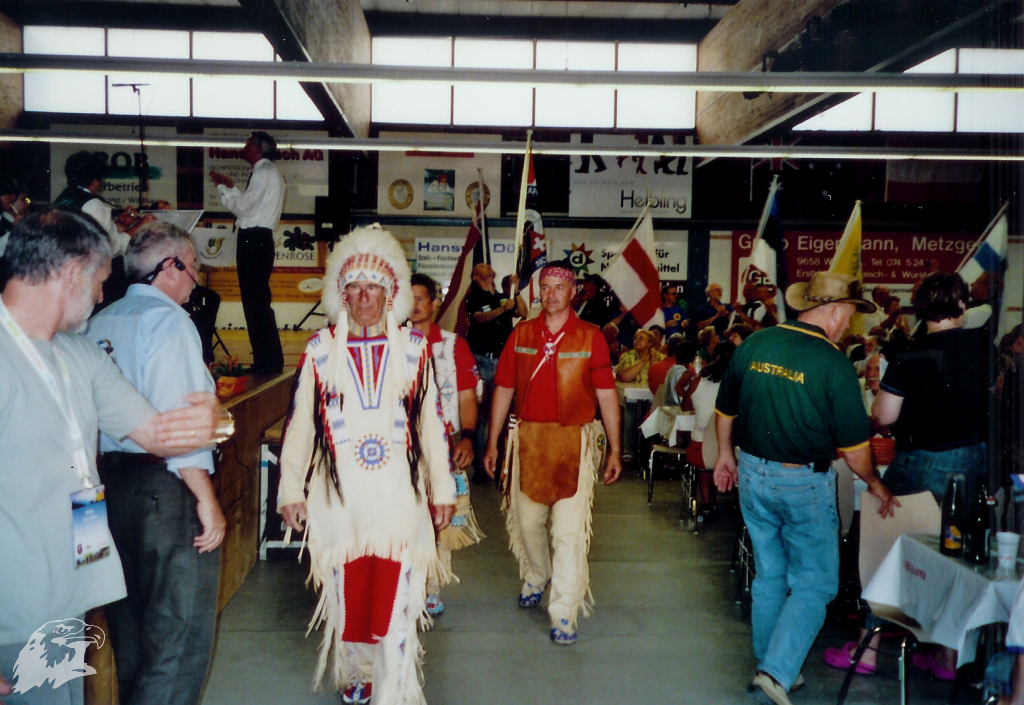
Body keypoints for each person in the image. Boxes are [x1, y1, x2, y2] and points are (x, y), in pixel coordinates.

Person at [0, 209, 227, 705]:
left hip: (64, 597)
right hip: (10, 607)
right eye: (101, 280)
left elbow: (158, 432)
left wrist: (215, 418)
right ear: (71, 272)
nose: (104, 294)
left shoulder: (77, 354)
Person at [277, 225, 456, 705]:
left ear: (390, 292)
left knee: (396, 601)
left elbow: (432, 425)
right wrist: (290, 488)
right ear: (341, 293)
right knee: (350, 598)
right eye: (353, 287)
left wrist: (443, 490)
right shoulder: (319, 351)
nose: (363, 297)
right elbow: (300, 428)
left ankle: (393, 691)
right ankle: (358, 672)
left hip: (399, 500)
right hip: (341, 502)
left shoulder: (416, 351)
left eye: (373, 287)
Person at [713, 271, 897, 705]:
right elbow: (854, 451)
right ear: (835, 311)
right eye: (850, 315)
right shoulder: (831, 362)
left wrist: (725, 455)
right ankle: (775, 673)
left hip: (752, 474)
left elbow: (724, 411)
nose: (851, 325)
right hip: (802, 482)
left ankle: (773, 665)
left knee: (771, 573)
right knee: (815, 584)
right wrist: (875, 483)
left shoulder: (757, 342)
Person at [84, 222, 224, 705]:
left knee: (130, 632)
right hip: (164, 488)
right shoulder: (169, 322)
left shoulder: (99, 319)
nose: (195, 281)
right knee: (177, 634)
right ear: (171, 267)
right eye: (193, 269)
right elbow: (179, 423)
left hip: (107, 487)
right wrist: (207, 500)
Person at [483, 260, 622, 645]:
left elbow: (607, 396)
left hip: (573, 443)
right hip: (528, 442)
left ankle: (563, 611)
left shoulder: (590, 336)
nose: (551, 294)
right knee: (528, 525)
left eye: (559, 287)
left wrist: (615, 448)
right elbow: (505, 389)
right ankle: (537, 574)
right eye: (544, 287)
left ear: (573, 291)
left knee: (567, 533)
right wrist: (493, 440)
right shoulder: (522, 334)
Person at [866, 271, 994, 680]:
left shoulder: (908, 353)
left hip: (923, 460)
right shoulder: (984, 347)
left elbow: (885, 417)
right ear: (962, 306)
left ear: (919, 308)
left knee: (888, 549)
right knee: (957, 558)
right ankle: (948, 657)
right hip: (976, 459)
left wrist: (875, 401)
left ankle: (867, 651)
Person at [408, 272, 484, 617]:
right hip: (402, 447)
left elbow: (468, 397)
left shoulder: (454, 345)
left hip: (443, 444)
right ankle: (405, 585)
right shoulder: (390, 343)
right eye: (406, 298)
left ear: (435, 302)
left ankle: (432, 588)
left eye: (420, 298)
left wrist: (468, 435)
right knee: (405, 516)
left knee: (441, 516)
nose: (413, 305)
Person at [209, 131, 286, 374]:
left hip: (254, 241)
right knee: (258, 303)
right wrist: (232, 190)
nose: (244, 147)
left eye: (248, 143)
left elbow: (243, 209)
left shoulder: (263, 174)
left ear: (259, 149)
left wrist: (223, 188)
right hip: (259, 240)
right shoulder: (268, 174)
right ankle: (268, 361)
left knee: (255, 304)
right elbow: (250, 207)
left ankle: (268, 362)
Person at [53, 151, 156, 310]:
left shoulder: (61, 200)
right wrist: (139, 226)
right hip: (86, 276)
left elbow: (93, 231)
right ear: (94, 182)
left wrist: (120, 225)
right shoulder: (94, 204)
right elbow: (111, 247)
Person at [465, 263, 525, 480]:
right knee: (482, 415)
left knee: (500, 412)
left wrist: (515, 292)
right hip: (482, 360)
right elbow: (479, 318)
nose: (488, 266)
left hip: (503, 360)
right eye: (482, 266)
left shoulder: (502, 295)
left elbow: (523, 312)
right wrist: (502, 309)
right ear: (475, 276)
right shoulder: (474, 298)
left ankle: (499, 461)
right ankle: (481, 466)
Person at [680, 341, 736, 518]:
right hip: (733, 452)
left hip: (701, 451)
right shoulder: (737, 383)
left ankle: (706, 502)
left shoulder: (699, 381)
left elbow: (685, 406)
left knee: (704, 461)